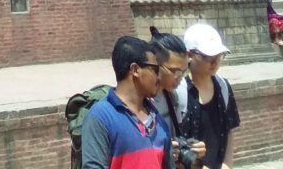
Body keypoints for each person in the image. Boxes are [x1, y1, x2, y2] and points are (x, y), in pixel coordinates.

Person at [82, 35, 171, 169]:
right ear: (135, 70)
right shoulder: (100, 117)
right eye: (155, 70)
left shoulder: (158, 120)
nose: (159, 78)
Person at [181, 23, 240, 169]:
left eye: (219, 55)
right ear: (189, 55)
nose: (215, 62)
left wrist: (226, 164)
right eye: (208, 56)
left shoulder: (223, 86)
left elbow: (229, 128)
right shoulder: (179, 91)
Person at [149, 27, 206, 169]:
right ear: (155, 65)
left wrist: (186, 147)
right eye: (175, 71)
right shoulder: (140, 103)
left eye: (184, 71)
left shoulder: (173, 96)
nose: (180, 78)